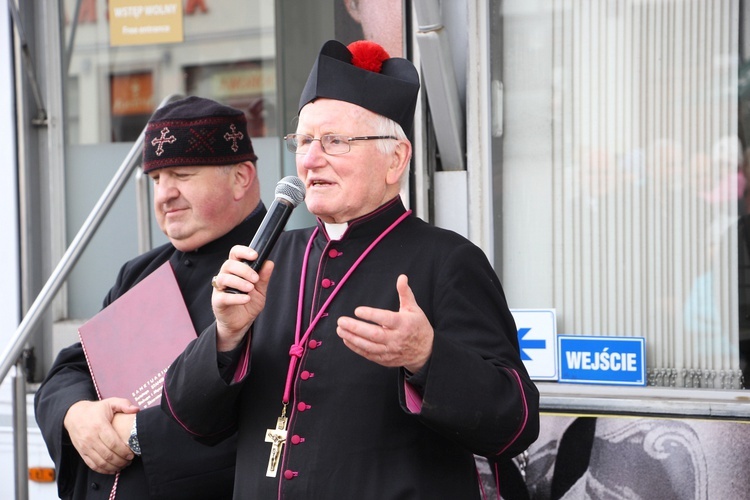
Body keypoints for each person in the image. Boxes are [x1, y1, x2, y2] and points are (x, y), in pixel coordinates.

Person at [162, 40, 540, 499]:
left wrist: (427, 357)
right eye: (303, 141)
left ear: (395, 160)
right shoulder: (269, 260)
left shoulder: (449, 261)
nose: (310, 158)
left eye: (334, 141)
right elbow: (189, 422)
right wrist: (224, 337)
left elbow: (515, 424)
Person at [34, 96, 267, 500]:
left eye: (183, 174)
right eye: (157, 179)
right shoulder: (140, 272)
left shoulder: (290, 268)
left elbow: (275, 421)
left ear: (241, 177)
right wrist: (78, 416)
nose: (164, 194)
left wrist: (139, 435)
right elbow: (72, 369)